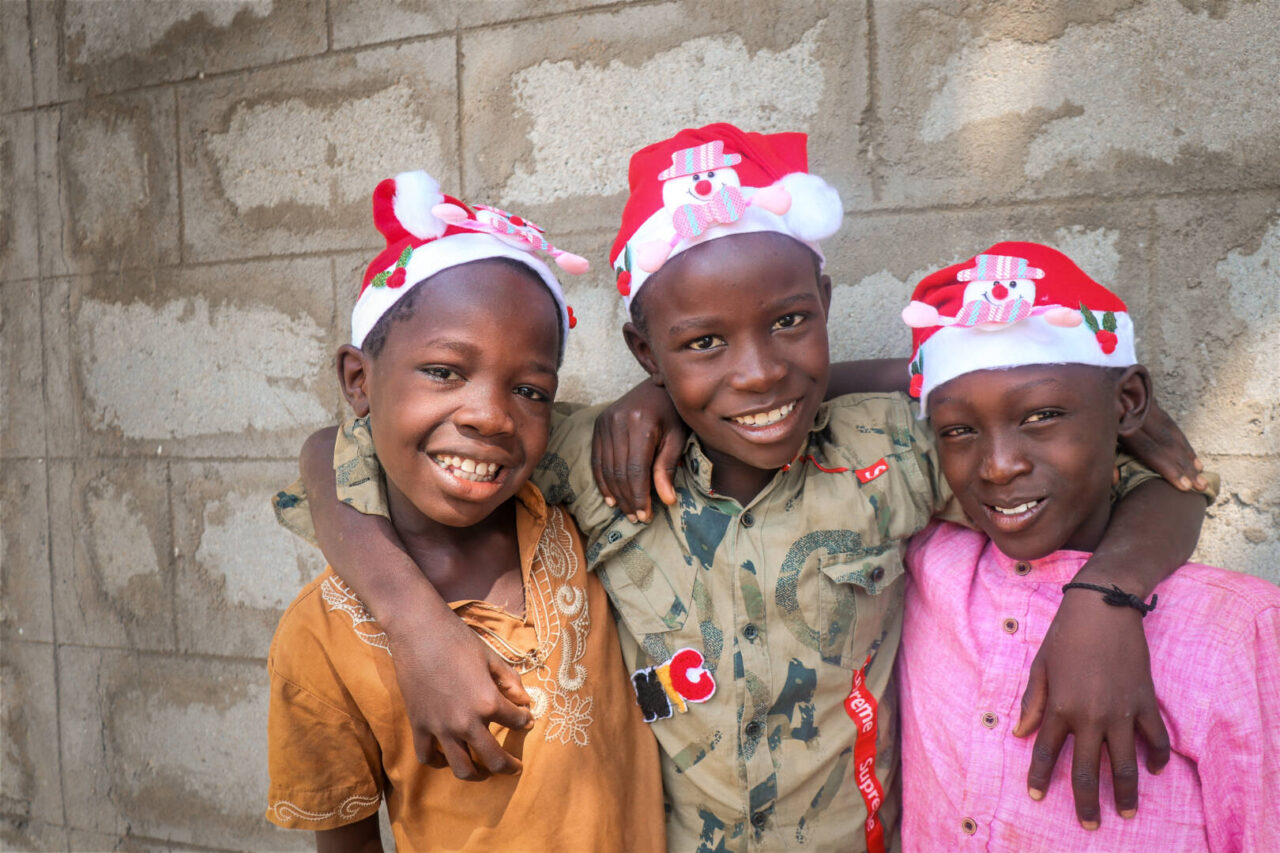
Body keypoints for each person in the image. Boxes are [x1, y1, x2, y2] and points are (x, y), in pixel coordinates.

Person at [288, 126, 1208, 851]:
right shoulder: (589, 459)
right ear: (647, 353)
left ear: (825, 302)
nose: (761, 374)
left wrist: (1106, 599)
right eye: (701, 346)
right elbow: (336, 449)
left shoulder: (890, 453)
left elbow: (1160, 485)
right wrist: (413, 620)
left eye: (789, 323)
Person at [264, 171, 665, 851]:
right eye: (445, 371)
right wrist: (414, 623)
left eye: (530, 389)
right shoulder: (320, 637)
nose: (488, 416)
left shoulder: (580, 518)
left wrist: (658, 399)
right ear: (358, 380)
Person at [894, 242, 1279, 852]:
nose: (997, 467)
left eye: (1042, 415)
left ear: (1128, 403)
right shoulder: (926, 563)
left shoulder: (1236, 631)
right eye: (959, 431)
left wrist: (1105, 595)